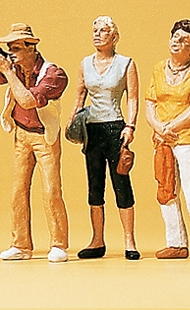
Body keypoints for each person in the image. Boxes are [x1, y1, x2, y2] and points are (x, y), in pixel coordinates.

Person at [0, 23, 70, 263]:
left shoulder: (54, 74)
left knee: (51, 191)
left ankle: (58, 244)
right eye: (8, 48)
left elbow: (27, 101)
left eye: (15, 48)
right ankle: (20, 245)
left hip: (45, 138)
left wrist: (8, 72)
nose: (10, 53)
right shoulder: (13, 68)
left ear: (31, 48)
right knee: (17, 192)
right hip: (21, 136)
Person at [67, 16, 141, 260]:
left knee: (121, 183)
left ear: (114, 37)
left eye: (103, 30)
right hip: (92, 129)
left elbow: (132, 98)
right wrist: (73, 119)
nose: (97, 34)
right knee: (95, 185)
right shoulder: (85, 63)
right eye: (95, 30)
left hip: (115, 128)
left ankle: (129, 240)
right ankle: (97, 239)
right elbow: (80, 95)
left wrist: (130, 126)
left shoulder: (126, 64)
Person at [144, 18, 190, 261]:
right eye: (175, 36)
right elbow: (150, 104)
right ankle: (176, 243)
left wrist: (170, 127)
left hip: (188, 140)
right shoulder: (158, 68)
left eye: (184, 39)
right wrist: (158, 127)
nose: (177, 41)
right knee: (166, 190)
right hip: (162, 141)